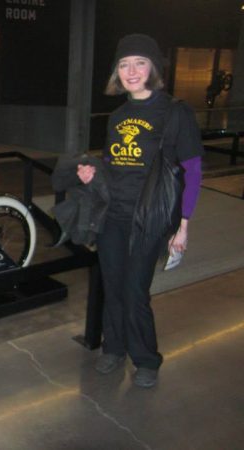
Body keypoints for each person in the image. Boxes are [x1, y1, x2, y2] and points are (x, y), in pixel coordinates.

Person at [77, 34, 204, 388]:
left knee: (135, 289)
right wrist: (92, 175)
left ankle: (146, 358)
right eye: (123, 64)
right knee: (112, 286)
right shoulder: (117, 116)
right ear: (116, 72)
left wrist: (184, 224)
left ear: (153, 68)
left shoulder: (174, 112)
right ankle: (113, 348)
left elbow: (192, 170)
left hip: (150, 217)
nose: (131, 71)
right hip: (112, 214)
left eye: (139, 62)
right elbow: (110, 163)